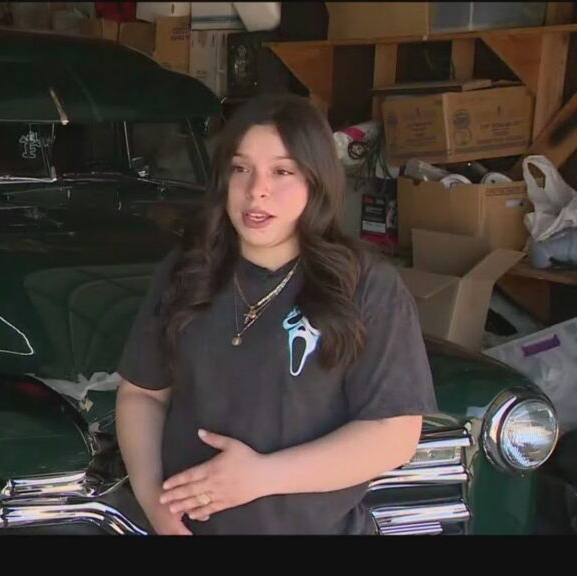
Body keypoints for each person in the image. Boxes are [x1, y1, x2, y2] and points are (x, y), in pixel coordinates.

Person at [114, 93, 438, 535]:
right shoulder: (188, 271)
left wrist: (261, 476)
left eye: (282, 171)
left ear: (316, 180)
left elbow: (393, 433)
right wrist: (156, 505)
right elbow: (142, 394)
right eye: (241, 169)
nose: (256, 190)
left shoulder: (365, 285)